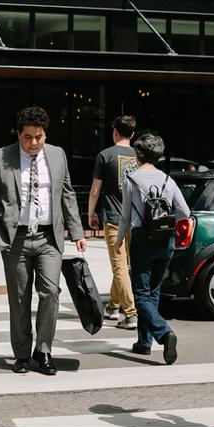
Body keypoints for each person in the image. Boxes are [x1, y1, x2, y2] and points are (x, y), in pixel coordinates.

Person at [0, 106, 87, 376]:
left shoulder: (57, 154)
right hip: (16, 239)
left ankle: (44, 349)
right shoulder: (0, 156)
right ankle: (22, 354)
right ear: (19, 134)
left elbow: (67, 193)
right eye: (28, 137)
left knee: (50, 293)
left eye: (39, 136)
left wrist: (77, 231)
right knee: (19, 299)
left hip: (49, 237)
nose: (34, 143)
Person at [115, 133, 189, 363]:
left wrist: (118, 239)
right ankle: (144, 343)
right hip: (165, 239)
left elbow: (125, 216)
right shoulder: (169, 180)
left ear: (138, 154)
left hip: (142, 238)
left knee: (141, 295)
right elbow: (185, 212)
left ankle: (164, 333)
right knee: (153, 291)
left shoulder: (132, 179)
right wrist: (166, 222)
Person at [88, 115, 140, 330]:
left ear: (115, 132)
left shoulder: (105, 155)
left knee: (119, 266)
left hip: (114, 219)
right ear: (133, 134)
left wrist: (91, 213)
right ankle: (112, 306)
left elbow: (95, 190)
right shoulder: (140, 156)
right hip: (136, 220)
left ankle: (130, 314)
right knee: (124, 266)